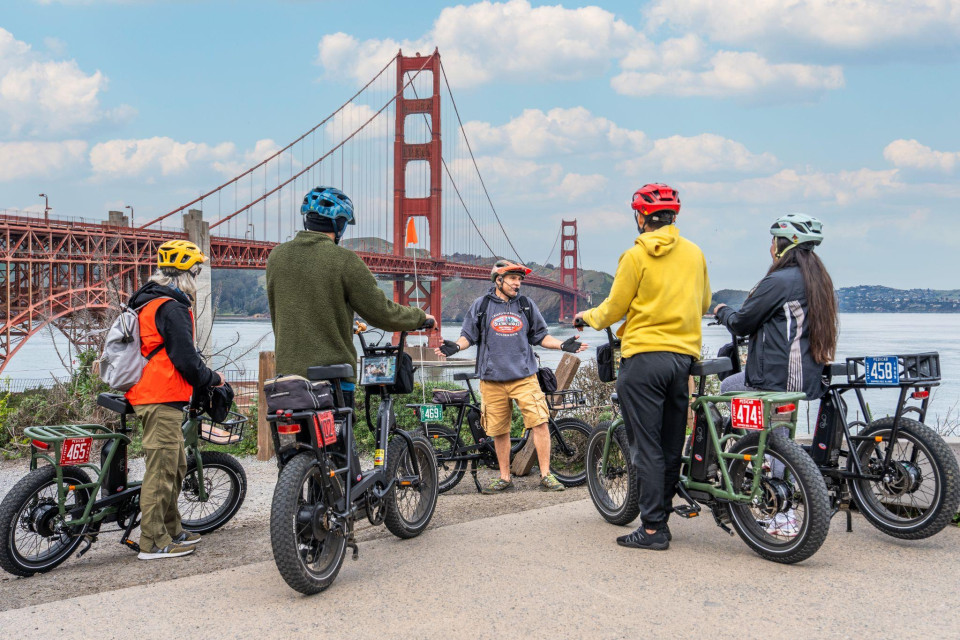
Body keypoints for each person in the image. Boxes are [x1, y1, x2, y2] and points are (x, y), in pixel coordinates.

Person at [574, 184, 710, 551]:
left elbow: (613, 310)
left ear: (640, 217)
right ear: (673, 217)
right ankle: (662, 512)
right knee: (669, 444)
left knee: (644, 446)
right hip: (683, 361)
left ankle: (652, 530)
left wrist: (584, 316)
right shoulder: (695, 253)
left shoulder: (634, 256)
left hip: (644, 361)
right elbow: (705, 301)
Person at [713, 213, 838, 536]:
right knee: (772, 427)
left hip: (777, 379)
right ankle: (752, 453)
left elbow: (742, 322)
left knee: (731, 390)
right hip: (806, 376)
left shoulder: (780, 280)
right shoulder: (817, 280)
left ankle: (781, 511)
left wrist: (720, 311)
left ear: (784, 245)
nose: (770, 247)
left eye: (773, 241)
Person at [266, 185, 433, 426]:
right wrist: (420, 317)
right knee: (339, 454)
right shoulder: (345, 261)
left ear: (306, 220)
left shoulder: (276, 256)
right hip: (331, 380)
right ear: (340, 225)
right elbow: (381, 313)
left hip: (287, 379)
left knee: (297, 449)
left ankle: (299, 465)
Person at [434, 259, 587, 493]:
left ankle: (546, 475)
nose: (518, 283)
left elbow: (541, 336)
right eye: (513, 278)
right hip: (492, 379)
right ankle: (505, 477)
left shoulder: (525, 304)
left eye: (520, 279)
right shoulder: (481, 305)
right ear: (499, 280)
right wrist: (455, 346)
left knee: (540, 423)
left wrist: (562, 345)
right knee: (498, 430)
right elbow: (468, 336)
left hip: (524, 377)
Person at [126, 239, 225, 560]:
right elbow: (186, 360)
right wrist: (213, 379)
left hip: (157, 395)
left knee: (175, 465)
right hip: (159, 397)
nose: (197, 280)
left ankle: (172, 529)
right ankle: (152, 542)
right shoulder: (172, 307)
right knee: (161, 471)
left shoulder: (152, 301)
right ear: (188, 275)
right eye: (196, 273)